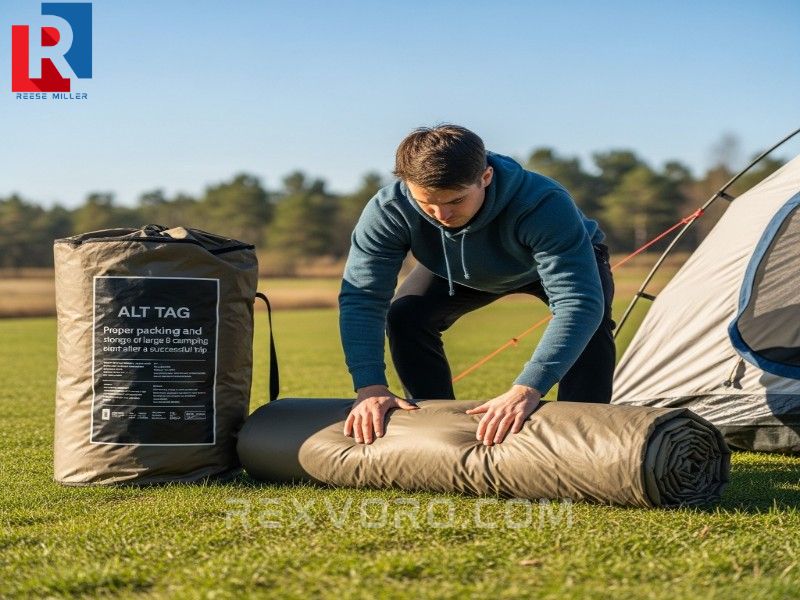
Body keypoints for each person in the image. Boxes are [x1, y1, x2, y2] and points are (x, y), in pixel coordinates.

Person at [338, 124, 615, 447]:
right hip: (456, 269)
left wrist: (528, 388)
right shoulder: (389, 210)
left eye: (456, 200)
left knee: (591, 325)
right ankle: (435, 426)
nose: (441, 214)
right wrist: (369, 386)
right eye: (426, 203)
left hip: (547, 263)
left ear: (485, 177)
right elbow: (363, 298)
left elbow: (577, 303)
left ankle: (580, 438)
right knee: (406, 316)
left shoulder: (543, 203)